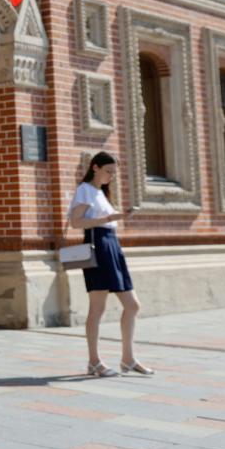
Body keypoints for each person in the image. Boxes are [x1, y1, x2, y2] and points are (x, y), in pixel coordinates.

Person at [67, 151, 153, 377]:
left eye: (113, 173)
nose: (111, 176)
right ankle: (94, 361)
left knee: (133, 305)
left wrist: (119, 216)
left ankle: (128, 358)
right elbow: (76, 222)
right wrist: (108, 219)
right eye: (108, 171)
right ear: (95, 167)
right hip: (99, 247)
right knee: (97, 308)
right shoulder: (85, 190)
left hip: (112, 246)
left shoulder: (101, 193)